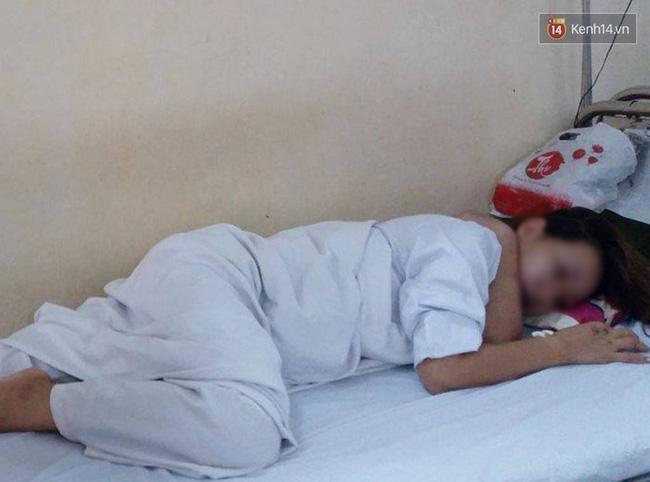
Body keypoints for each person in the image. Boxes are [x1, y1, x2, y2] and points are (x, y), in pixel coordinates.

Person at [0, 207, 649, 478]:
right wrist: (561, 348)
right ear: (532, 229)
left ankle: (41, 374)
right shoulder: (470, 240)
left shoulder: (484, 279)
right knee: (247, 434)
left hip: (231, 303)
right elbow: (446, 371)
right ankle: (38, 404)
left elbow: (495, 340)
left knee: (105, 351)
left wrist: (545, 324)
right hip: (228, 276)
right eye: (557, 269)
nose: (546, 295)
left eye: (564, 296)